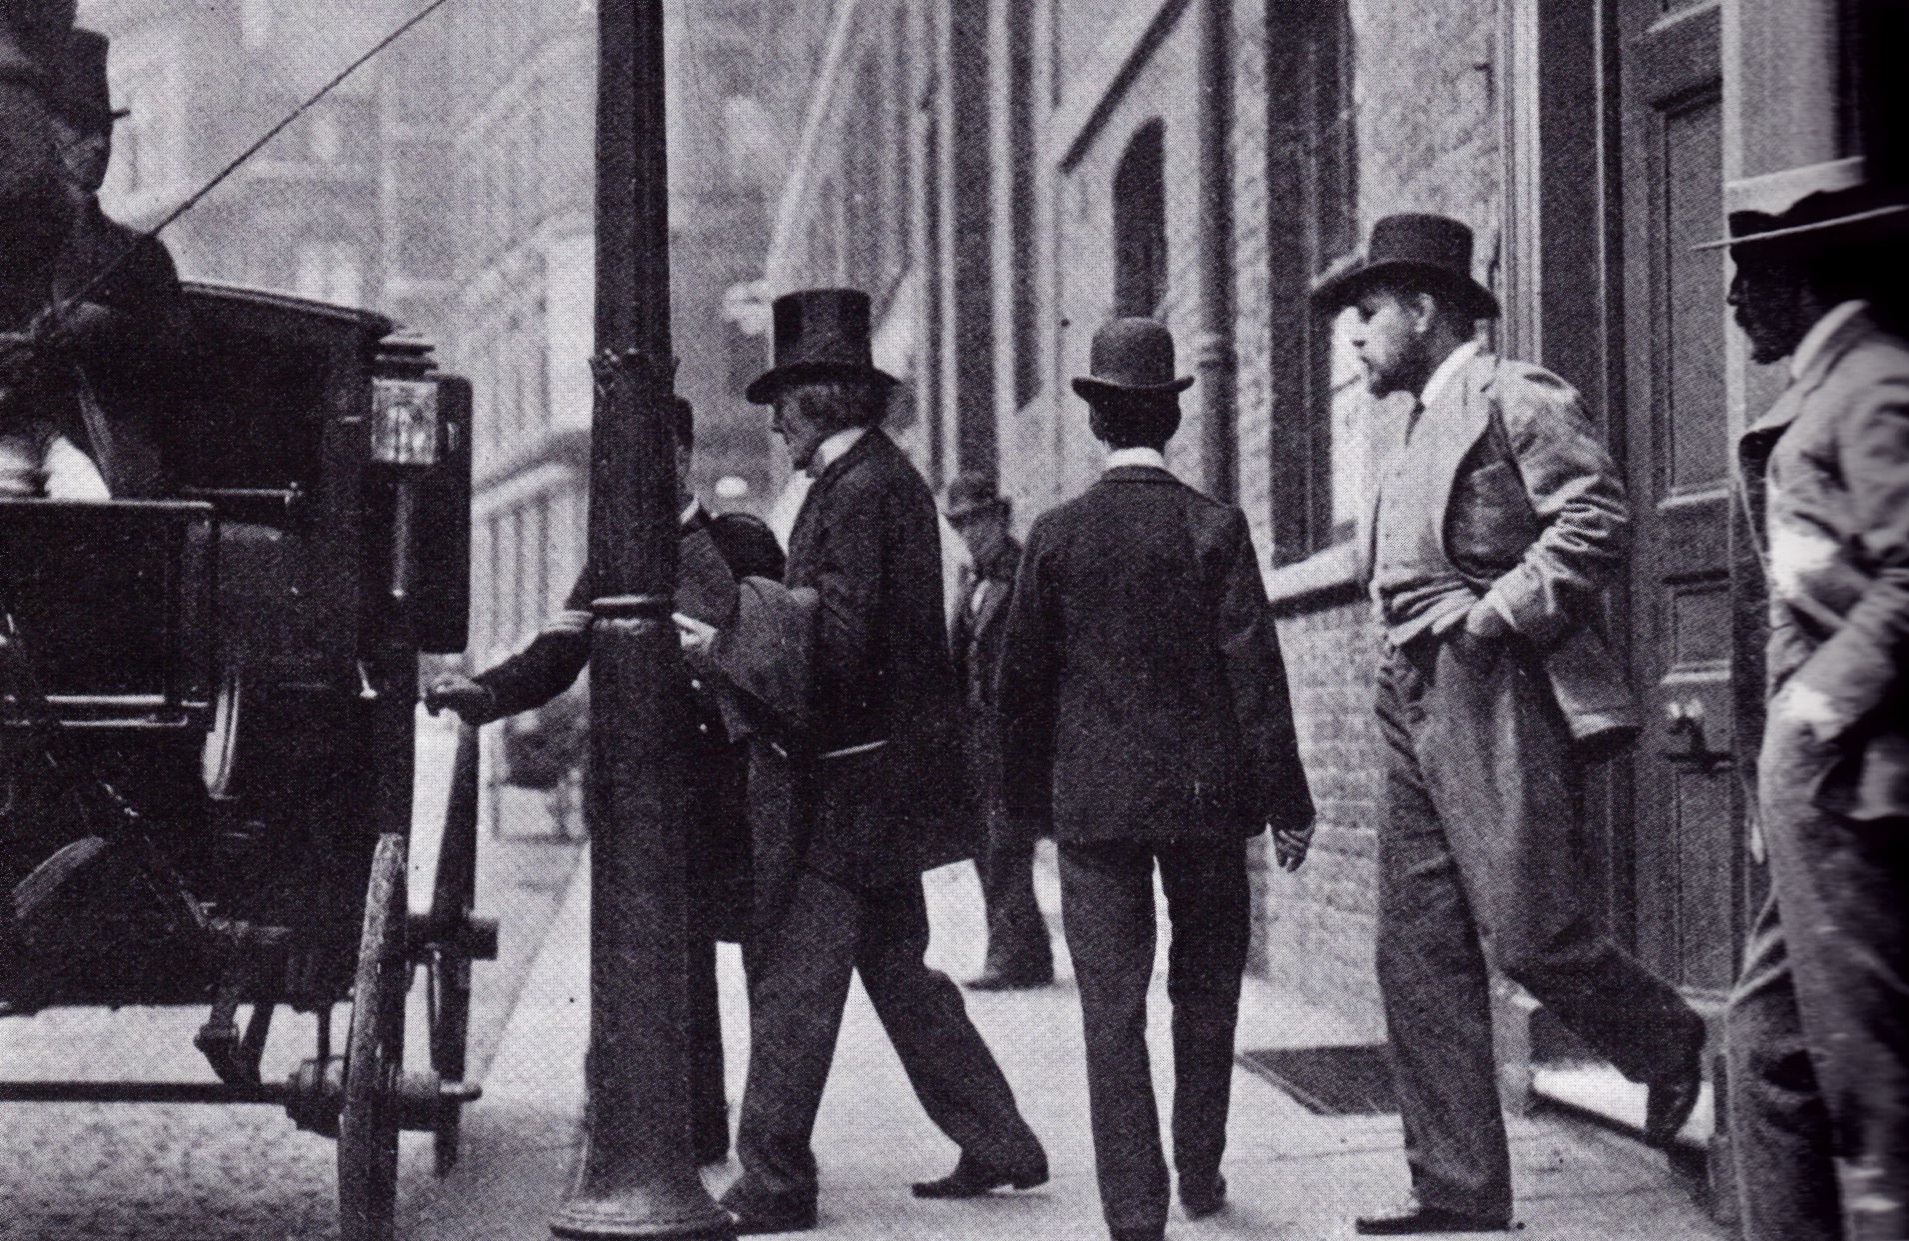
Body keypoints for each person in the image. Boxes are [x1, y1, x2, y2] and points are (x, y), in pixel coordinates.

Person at [1311, 213, 1706, 1235]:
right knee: (1417, 945)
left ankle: (1666, 1042)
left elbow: (1597, 519)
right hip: (1409, 689)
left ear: (1423, 309)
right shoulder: (1405, 422)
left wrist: (1494, 614)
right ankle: (1455, 1187)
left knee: (1529, 928)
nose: (1354, 339)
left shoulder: (1513, 393)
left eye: (1366, 314)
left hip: (1492, 683)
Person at [689, 288, 1045, 1235]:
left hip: (844, 787)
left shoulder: (860, 490)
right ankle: (1000, 1139)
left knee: (796, 980)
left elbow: (841, 641)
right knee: (898, 971)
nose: (772, 421)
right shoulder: (875, 480)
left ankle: (772, 1179)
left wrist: (732, 631)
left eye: (783, 400)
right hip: (875, 781)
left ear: (824, 399)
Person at [995, 317, 1314, 1241]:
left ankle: (1134, 1212)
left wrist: (1021, 811)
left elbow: (1019, 691)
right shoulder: (1215, 527)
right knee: (1206, 988)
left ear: (1097, 421)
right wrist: (1286, 803)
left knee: (1111, 1007)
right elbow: (1257, 676)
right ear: (1168, 420)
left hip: (1093, 809)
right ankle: (1201, 1167)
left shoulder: (1054, 538)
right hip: (1208, 805)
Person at [424, 395, 781, 1167]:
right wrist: (481, 693)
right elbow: (554, 658)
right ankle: (687, 1129)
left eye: (659, 456)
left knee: (767, 964)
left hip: (730, 785)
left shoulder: (743, 544)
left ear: (685, 456)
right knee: (663, 958)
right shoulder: (612, 556)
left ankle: (774, 1142)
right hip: (641, 795)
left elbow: (783, 653)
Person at [1709, 180, 1909, 1241]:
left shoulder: (1872, 383)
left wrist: (1811, 718)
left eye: (1751, 277)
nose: (1736, 301)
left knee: (1871, 1081)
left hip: (1858, 781)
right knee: (1768, 1050)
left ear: (1801, 280)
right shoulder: (1830, 387)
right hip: (1816, 787)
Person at [44, 27, 193, 498]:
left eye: (104, 130)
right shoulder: (14, 247)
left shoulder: (142, 258)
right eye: (79, 129)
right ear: (42, 133)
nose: (98, 145)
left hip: (113, 473)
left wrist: (107, 327)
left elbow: (178, 363)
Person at [944, 471, 1053, 991]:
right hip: (976, 740)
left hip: (1014, 738)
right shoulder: (971, 580)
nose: (971, 534)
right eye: (961, 525)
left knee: (1007, 846)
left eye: (978, 522)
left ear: (1000, 518)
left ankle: (1012, 957)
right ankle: (1024, 953)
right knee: (986, 848)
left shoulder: (1025, 572)